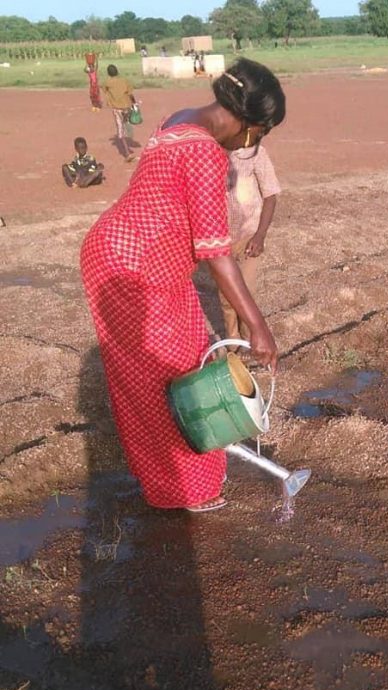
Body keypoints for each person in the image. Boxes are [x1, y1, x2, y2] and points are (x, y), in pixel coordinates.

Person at [80, 59, 285, 513]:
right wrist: (257, 326)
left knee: (165, 369)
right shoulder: (205, 152)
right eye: (261, 133)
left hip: (125, 255)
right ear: (251, 124)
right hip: (136, 270)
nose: (254, 143)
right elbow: (215, 252)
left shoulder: (179, 121)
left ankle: (171, 482)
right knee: (173, 383)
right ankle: (185, 491)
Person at [216, 143, 280, 342]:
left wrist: (260, 235)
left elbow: (270, 195)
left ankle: (247, 338)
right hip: (219, 240)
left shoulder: (255, 152)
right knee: (227, 295)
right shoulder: (209, 153)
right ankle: (233, 339)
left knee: (247, 291)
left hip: (249, 235)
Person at [102, 64, 136, 162]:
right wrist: (134, 103)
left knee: (120, 130)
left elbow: (104, 90)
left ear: (108, 73)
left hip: (117, 108)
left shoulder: (107, 82)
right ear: (117, 71)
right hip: (127, 106)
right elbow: (130, 94)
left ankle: (127, 153)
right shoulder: (124, 81)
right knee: (127, 124)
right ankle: (128, 133)